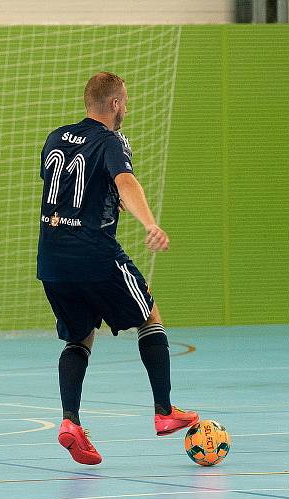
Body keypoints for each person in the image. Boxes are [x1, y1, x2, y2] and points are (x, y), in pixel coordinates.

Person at [37, 72, 198, 465]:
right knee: (150, 317)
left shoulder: (55, 137)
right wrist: (150, 223)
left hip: (51, 259)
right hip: (95, 253)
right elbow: (124, 181)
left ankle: (70, 421)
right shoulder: (112, 140)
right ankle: (164, 411)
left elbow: (72, 187)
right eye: (125, 101)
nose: (127, 107)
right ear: (114, 105)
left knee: (79, 338)